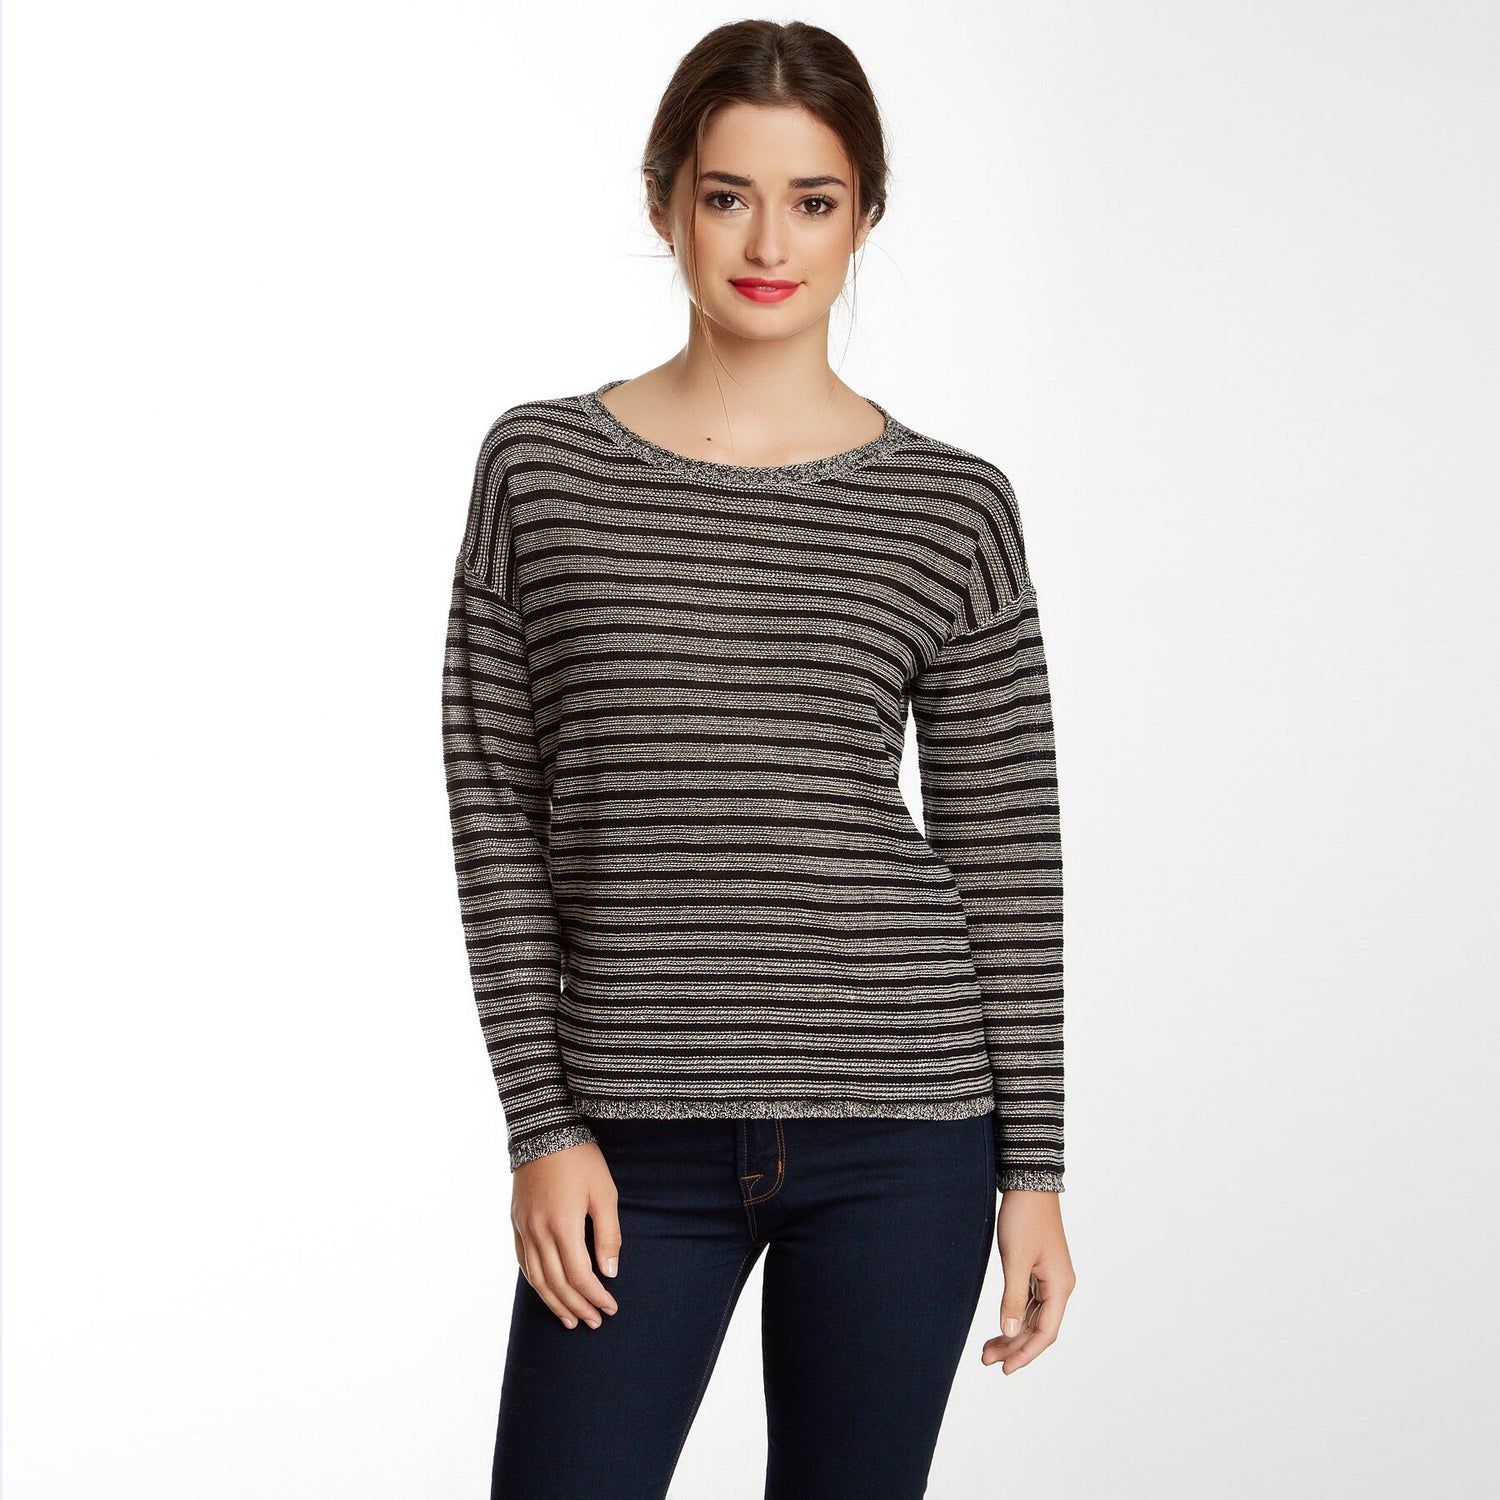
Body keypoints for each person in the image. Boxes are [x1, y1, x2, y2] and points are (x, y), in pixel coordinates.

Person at [441, 18, 1076, 1499]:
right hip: (626, 1142)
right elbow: (493, 806)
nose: (770, 242)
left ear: (865, 217)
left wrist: (1034, 1173)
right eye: (728, 195)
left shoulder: (950, 507)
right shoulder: (542, 469)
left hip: (905, 1132)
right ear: (665, 201)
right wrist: (541, 1124)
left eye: (814, 200)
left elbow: (1004, 848)